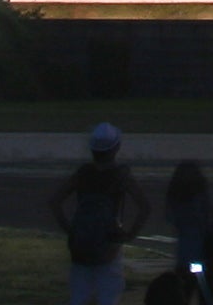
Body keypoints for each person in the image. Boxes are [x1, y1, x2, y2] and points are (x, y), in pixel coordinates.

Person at [51, 124, 154, 305]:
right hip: (109, 244)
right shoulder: (121, 175)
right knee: (109, 295)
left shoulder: (83, 173)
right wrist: (129, 235)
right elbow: (144, 206)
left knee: (79, 295)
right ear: (116, 148)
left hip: (81, 245)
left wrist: (70, 230)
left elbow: (55, 201)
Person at [164, 161, 213, 305]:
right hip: (207, 253)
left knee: (184, 294)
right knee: (208, 294)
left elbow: (172, 221)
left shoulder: (174, 198)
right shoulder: (203, 195)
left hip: (185, 254)